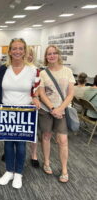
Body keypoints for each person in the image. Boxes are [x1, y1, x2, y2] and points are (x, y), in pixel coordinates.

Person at [0, 38, 40, 189]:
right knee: (7, 143)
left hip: (24, 112)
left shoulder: (33, 70)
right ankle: (9, 171)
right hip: (7, 111)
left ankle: (18, 173)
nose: (17, 51)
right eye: (14, 48)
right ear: (10, 51)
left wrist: (36, 99)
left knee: (20, 144)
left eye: (20, 48)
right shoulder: (2, 69)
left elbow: (35, 91)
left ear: (25, 51)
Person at [38, 45, 75, 183]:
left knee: (63, 140)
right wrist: (53, 108)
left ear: (58, 55)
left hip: (62, 110)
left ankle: (64, 169)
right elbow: (41, 93)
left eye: (54, 53)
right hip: (46, 109)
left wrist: (60, 109)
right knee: (46, 136)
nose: (52, 56)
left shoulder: (68, 71)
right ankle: (46, 162)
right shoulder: (43, 73)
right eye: (49, 54)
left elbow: (71, 93)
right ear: (46, 57)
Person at [27, 47, 40, 168]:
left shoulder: (36, 70)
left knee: (32, 131)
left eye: (31, 54)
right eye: (26, 53)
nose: (28, 56)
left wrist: (34, 98)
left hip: (30, 104)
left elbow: (37, 89)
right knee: (13, 129)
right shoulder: (15, 68)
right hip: (16, 103)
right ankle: (7, 151)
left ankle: (34, 155)